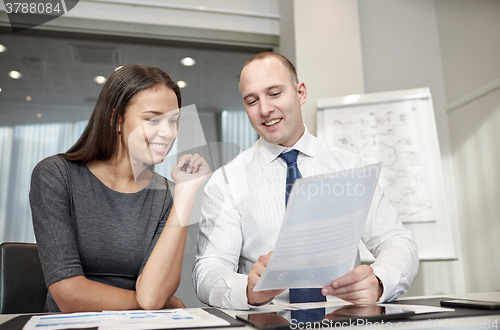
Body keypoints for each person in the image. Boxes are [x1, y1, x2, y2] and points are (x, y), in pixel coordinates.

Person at [193, 52, 418, 310]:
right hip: (268, 325)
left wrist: (379, 280)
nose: (265, 109)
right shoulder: (226, 181)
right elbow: (207, 270)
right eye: (252, 100)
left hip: (345, 322)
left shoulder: (349, 167)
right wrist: (246, 290)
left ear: (300, 93)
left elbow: (398, 241)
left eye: (274, 93)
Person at [30, 64, 210, 313]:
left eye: (174, 121)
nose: (168, 132)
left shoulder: (167, 194)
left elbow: (152, 297)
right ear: (116, 118)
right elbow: (69, 296)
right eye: (153, 119)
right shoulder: (56, 175)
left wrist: (186, 193)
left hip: (139, 328)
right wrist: (162, 305)